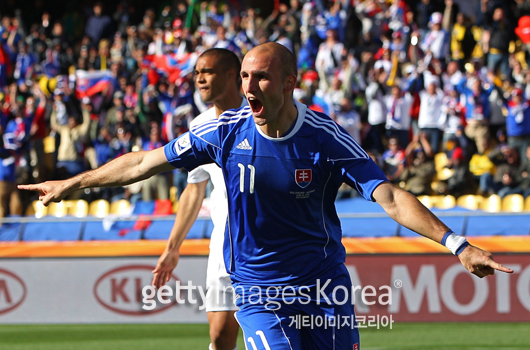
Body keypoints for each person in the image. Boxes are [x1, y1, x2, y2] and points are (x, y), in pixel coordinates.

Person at [19, 43, 513, 350]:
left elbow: (390, 198)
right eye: (246, 78)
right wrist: (73, 183)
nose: (249, 87)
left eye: (261, 78)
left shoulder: (324, 137)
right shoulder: (224, 132)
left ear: (289, 83)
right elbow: (144, 162)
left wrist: (457, 245)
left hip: (324, 288)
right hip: (257, 290)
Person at [153, 48, 246, 350]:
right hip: (225, 244)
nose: (200, 79)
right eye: (197, 73)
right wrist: (172, 248)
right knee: (220, 338)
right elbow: (194, 189)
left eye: (208, 72)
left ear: (232, 75)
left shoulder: (264, 116)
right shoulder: (201, 127)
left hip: (270, 242)